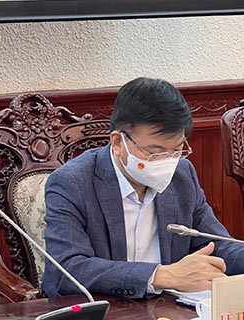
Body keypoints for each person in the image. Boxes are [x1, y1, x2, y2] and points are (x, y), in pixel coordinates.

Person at [42, 77, 244, 299]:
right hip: (102, 306)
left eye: (176, 150)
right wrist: (160, 276)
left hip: (168, 306)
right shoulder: (72, 182)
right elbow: (68, 269)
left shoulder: (182, 174)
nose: (166, 160)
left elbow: (217, 246)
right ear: (118, 142)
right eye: (155, 151)